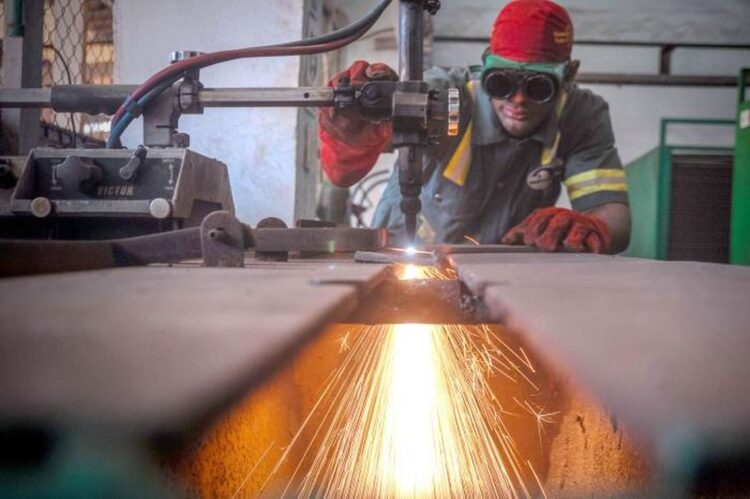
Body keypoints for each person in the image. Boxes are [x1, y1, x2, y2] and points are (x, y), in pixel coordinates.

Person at [318, 0, 630, 254]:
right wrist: (353, 124)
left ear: (567, 77)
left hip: (504, 271)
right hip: (405, 253)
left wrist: (595, 226)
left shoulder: (581, 115)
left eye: (538, 87)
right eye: (502, 83)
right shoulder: (444, 94)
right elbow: (342, 173)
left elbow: (613, 216)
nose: (518, 100)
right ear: (485, 66)